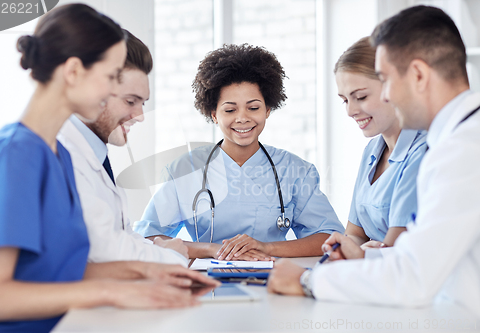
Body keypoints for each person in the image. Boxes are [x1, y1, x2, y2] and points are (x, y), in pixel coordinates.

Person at [0, 4, 218, 333]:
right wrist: (113, 290)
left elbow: (63, 270)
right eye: (109, 77)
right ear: (74, 72)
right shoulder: (16, 153)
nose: (111, 92)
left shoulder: (56, 155)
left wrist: (148, 273)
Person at [268, 5, 480, 317]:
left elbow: (412, 279)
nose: (388, 96)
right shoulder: (455, 141)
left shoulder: (464, 149)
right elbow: (421, 257)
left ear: (419, 75)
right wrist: (366, 259)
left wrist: (308, 280)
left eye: (385, 80)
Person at [134, 44, 345, 260]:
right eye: (230, 110)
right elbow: (147, 237)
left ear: (268, 110)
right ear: (214, 114)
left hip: (276, 281)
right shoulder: (183, 170)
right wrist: (212, 249)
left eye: (253, 108)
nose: (242, 118)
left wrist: (266, 248)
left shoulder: (296, 170)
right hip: (205, 284)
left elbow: (330, 237)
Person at [58, 29, 188, 266]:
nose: (140, 117)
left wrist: (159, 247)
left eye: (142, 103)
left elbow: (121, 236)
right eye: (130, 101)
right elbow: (103, 250)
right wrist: (171, 256)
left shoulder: (97, 154)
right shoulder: (63, 153)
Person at [334, 37, 427, 248]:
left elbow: (397, 249)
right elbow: (355, 233)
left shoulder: (423, 151)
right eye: (345, 100)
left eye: (361, 96)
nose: (350, 111)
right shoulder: (372, 151)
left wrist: (364, 254)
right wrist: (342, 249)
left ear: (392, 87)